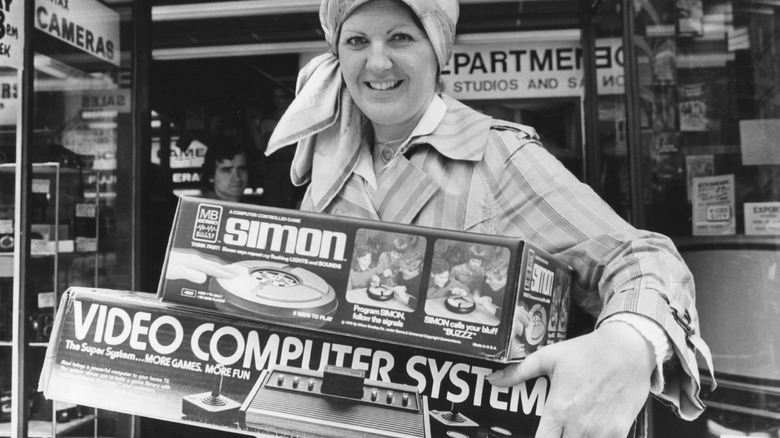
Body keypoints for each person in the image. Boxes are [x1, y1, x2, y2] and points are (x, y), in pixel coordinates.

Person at [265, 0, 714, 436]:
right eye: (357, 40)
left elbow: (642, 258)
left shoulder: (496, 154)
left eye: (400, 37)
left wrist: (628, 343)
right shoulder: (328, 167)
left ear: (438, 49)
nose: (377, 62)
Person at [200, 135, 250, 203]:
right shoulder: (197, 209)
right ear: (211, 176)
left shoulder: (256, 209)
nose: (237, 177)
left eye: (242, 169)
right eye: (227, 170)